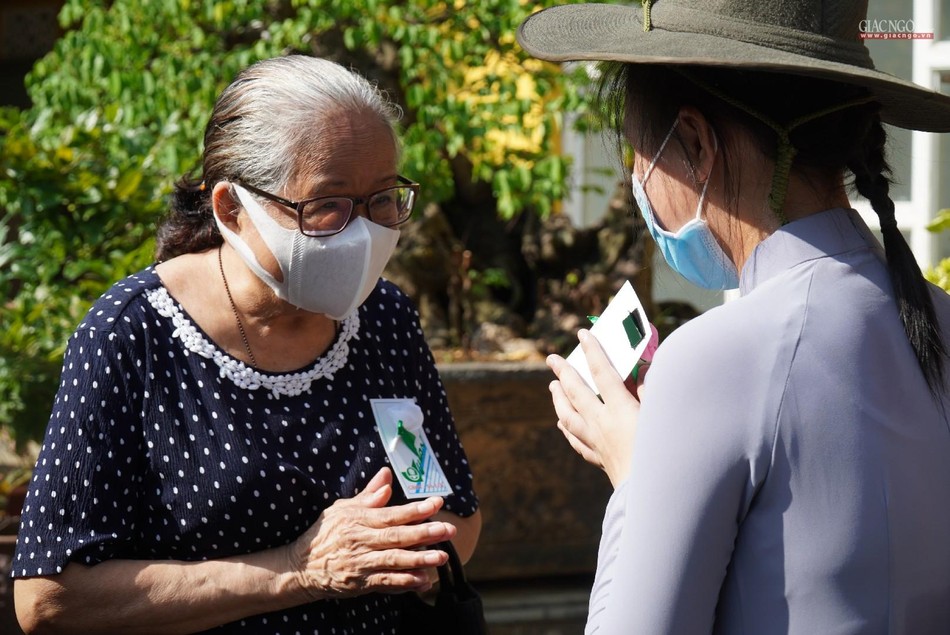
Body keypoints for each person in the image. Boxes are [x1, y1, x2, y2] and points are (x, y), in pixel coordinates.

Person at [519, 0, 950, 633]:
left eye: (640, 150)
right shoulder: (938, 317)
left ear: (694, 141)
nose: (638, 178)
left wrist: (638, 473)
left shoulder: (714, 357)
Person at [12, 54, 481, 634]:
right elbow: (49, 599)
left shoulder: (383, 317)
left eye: (383, 198)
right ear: (233, 208)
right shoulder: (133, 334)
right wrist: (297, 570)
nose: (363, 231)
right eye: (327, 205)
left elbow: (452, 508)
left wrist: (413, 549)